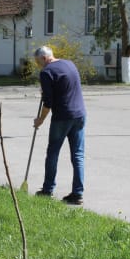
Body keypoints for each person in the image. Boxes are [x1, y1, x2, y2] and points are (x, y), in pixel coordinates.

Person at [33, 46, 86, 205]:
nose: (38, 66)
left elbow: (48, 103)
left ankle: (48, 189)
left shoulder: (46, 72)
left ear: (44, 58)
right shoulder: (69, 64)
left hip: (62, 117)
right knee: (78, 155)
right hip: (80, 115)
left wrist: (40, 120)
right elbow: (66, 88)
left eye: (38, 62)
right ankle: (77, 193)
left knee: (53, 153)